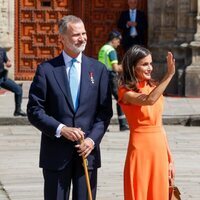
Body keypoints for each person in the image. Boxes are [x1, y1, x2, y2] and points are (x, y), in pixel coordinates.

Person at [27, 15, 113, 200]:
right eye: (76, 35)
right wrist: (61, 129)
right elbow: (34, 110)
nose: (82, 38)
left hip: (86, 154)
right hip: (55, 155)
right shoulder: (47, 70)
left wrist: (92, 140)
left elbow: (104, 113)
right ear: (62, 39)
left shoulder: (98, 70)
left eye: (84, 33)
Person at [118, 45, 175, 200]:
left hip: (159, 149)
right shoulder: (125, 91)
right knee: (140, 192)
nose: (150, 68)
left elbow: (160, 125)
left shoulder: (154, 87)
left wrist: (169, 158)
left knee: (159, 194)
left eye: (150, 63)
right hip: (140, 149)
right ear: (132, 66)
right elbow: (149, 101)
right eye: (144, 64)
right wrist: (169, 75)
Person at [98, 30, 129, 131]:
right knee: (121, 99)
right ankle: (123, 124)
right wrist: (127, 67)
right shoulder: (111, 50)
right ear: (114, 39)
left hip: (102, 76)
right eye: (118, 41)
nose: (119, 43)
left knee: (104, 101)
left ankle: (102, 124)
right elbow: (115, 68)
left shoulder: (103, 49)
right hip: (111, 77)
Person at [0, 47, 27, 116]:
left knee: (18, 90)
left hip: (2, 78)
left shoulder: (2, 50)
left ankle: (18, 111)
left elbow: (7, 61)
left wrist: (8, 63)